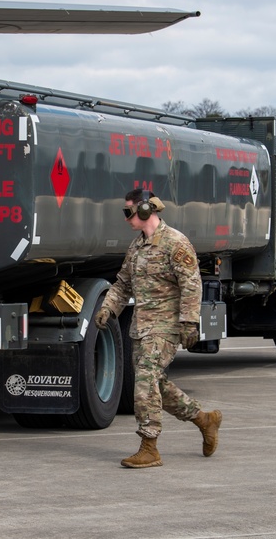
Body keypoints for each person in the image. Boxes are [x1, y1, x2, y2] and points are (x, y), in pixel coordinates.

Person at [94, 189, 222, 468]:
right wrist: (108, 308)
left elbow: (191, 285)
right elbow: (122, 283)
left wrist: (189, 322)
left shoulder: (175, 243)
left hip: (165, 327)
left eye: (128, 212)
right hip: (141, 327)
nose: (126, 218)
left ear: (144, 210)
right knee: (155, 385)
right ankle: (205, 419)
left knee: (144, 382)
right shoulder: (137, 247)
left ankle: (149, 446)